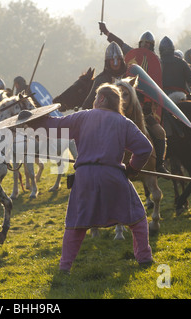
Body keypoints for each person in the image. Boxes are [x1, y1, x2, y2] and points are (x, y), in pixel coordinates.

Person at [29, 83, 154, 273]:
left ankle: (65, 267)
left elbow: (54, 127)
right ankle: (144, 259)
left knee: (76, 224)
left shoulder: (83, 116)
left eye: (96, 97)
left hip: (85, 177)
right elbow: (144, 148)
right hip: (113, 175)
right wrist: (132, 170)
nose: (94, 101)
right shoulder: (124, 122)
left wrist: (33, 120)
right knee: (137, 218)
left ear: (102, 99)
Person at [82, 42, 126, 109]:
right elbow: (87, 105)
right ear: (107, 62)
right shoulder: (100, 80)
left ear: (122, 61)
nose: (115, 63)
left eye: (118, 59)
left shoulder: (129, 77)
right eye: (112, 60)